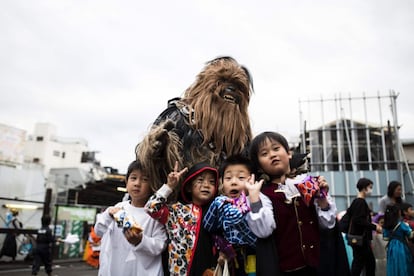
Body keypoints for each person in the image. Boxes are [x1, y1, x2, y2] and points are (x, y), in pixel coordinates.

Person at [248, 131, 337, 276]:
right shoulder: (262, 194)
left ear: (288, 153)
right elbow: (263, 231)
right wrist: (254, 199)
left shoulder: (308, 183)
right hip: (285, 270)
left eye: (276, 149)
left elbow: (328, 224)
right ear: (259, 165)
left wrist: (323, 200)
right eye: (264, 153)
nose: (272, 154)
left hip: (319, 267)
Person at [203, 154, 275, 276]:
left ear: (252, 179)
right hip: (229, 262)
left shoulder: (258, 200)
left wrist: (240, 220)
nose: (234, 182)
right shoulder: (220, 202)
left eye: (241, 177)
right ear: (221, 182)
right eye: (228, 178)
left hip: (254, 259)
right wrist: (216, 205)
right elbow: (208, 227)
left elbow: (260, 239)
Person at [145, 161, 219, 276]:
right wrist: (169, 186)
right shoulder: (177, 211)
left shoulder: (217, 211)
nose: (206, 185)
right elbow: (151, 208)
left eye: (212, 182)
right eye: (200, 180)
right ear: (189, 187)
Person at [94, 160, 167, 276]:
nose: (137, 183)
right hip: (115, 269)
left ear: (152, 185)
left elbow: (160, 245)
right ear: (126, 182)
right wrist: (108, 215)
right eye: (133, 178)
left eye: (145, 180)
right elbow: (99, 230)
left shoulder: (155, 215)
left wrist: (140, 241)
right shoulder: (118, 209)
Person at [345, 178, 382, 276]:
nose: (371, 190)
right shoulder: (360, 202)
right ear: (364, 188)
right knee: (362, 264)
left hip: (360, 239)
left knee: (366, 263)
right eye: (370, 187)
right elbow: (359, 220)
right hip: (360, 239)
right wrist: (375, 227)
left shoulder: (358, 202)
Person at [383, 204, 414, 276]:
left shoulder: (386, 226)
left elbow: (385, 238)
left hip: (391, 248)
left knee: (393, 265)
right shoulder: (401, 224)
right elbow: (410, 235)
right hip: (401, 247)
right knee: (403, 264)